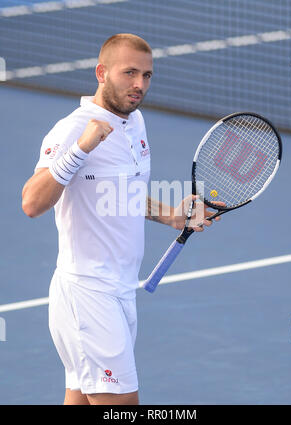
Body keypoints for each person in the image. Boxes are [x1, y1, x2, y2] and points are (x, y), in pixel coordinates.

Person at [22, 33, 221, 405]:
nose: (139, 85)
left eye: (147, 76)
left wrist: (171, 215)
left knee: (80, 398)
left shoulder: (135, 123)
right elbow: (32, 203)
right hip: (88, 293)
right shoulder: (73, 129)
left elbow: (119, 193)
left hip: (119, 291)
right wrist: (82, 148)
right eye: (129, 73)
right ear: (102, 72)